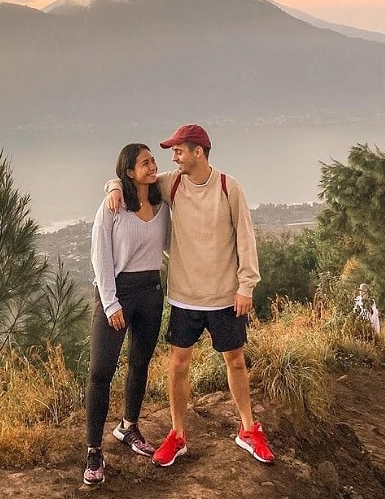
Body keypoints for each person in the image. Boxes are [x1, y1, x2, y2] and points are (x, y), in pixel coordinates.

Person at [106, 123, 275, 467]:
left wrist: (246, 286)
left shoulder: (229, 187)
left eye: (179, 151)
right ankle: (178, 435)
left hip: (225, 296)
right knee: (178, 364)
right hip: (184, 297)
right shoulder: (174, 183)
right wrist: (112, 185)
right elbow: (134, 180)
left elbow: (246, 238)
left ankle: (247, 429)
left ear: (199, 152)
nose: (173, 158)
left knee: (236, 361)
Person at [83, 143, 171, 486]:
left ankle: (128, 426)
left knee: (140, 362)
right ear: (129, 171)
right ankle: (93, 450)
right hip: (117, 292)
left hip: (151, 292)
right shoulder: (113, 207)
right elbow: (99, 256)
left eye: (153, 161)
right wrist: (110, 303)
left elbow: (170, 248)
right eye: (145, 162)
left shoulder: (162, 204)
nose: (152, 166)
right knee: (101, 371)